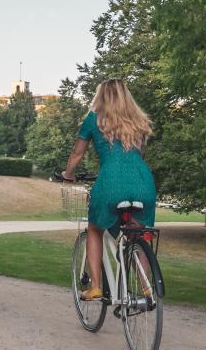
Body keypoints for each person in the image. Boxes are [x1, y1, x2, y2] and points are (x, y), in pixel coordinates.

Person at [61, 78, 156, 301]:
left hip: (111, 182)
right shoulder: (138, 121)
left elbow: (77, 154)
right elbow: (139, 155)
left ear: (101, 96)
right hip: (143, 182)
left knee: (94, 229)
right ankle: (146, 289)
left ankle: (95, 286)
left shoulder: (94, 119)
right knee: (138, 234)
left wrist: (68, 175)